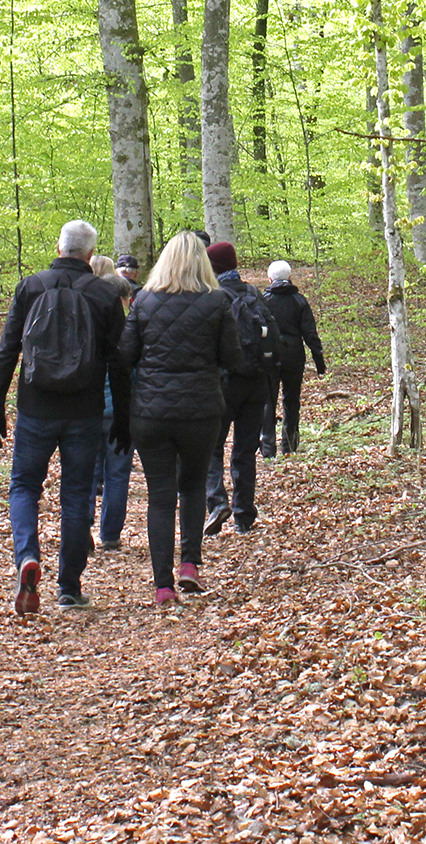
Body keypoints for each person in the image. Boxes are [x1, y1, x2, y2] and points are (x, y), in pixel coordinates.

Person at [0, 219, 127, 614]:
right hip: (85, 411)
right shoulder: (104, 294)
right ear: (91, 255)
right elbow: (119, 363)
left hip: (35, 408)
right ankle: (69, 587)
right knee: (77, 494)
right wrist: (123, 418)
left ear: (59, 248)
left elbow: (8, 350)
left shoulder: (31, 287)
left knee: (24, 486)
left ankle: (27, 557)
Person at [117, 232, 246, 602]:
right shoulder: (217, 301)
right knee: (192, 486)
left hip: (151, 413)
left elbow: (125, 355)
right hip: (200, 411)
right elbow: (232, 357)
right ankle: (189, 563)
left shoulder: (143, 300)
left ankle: (162, 585)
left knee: (160, 496)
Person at [202, 240, 277, 536]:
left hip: (222, 384)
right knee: (245, 450)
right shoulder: (254, 293)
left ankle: (217, 501)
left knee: (211, 447)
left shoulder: (212, 297)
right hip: (256, 383)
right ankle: (244, 515)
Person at [90, 256, 135, 552]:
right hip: (120, 411)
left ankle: (82, 527)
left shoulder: (86, 325)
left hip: (90, 409)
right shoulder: (130, 330)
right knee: (117, 474)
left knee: (86, 472)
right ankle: (110, 534)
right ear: (125, 299)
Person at [260, 260, 325, 456]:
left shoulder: (263, 301)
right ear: (290, 277)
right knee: (291, 400)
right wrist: (319, 361)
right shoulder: (299, 301)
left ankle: (267, 448)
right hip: (294, 356)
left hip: (269, 356)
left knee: (268, 401)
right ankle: (290, 445)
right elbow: (310, 333)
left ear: (270, 279)